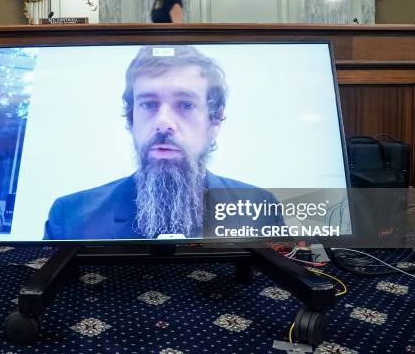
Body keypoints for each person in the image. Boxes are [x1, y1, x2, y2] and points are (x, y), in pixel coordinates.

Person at [44, 45, 283, 241]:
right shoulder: (71, 218)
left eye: (186, 105)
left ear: (215, 121)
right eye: (149, 104)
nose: (163, 122)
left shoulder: (261, 209)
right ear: (131, 119)